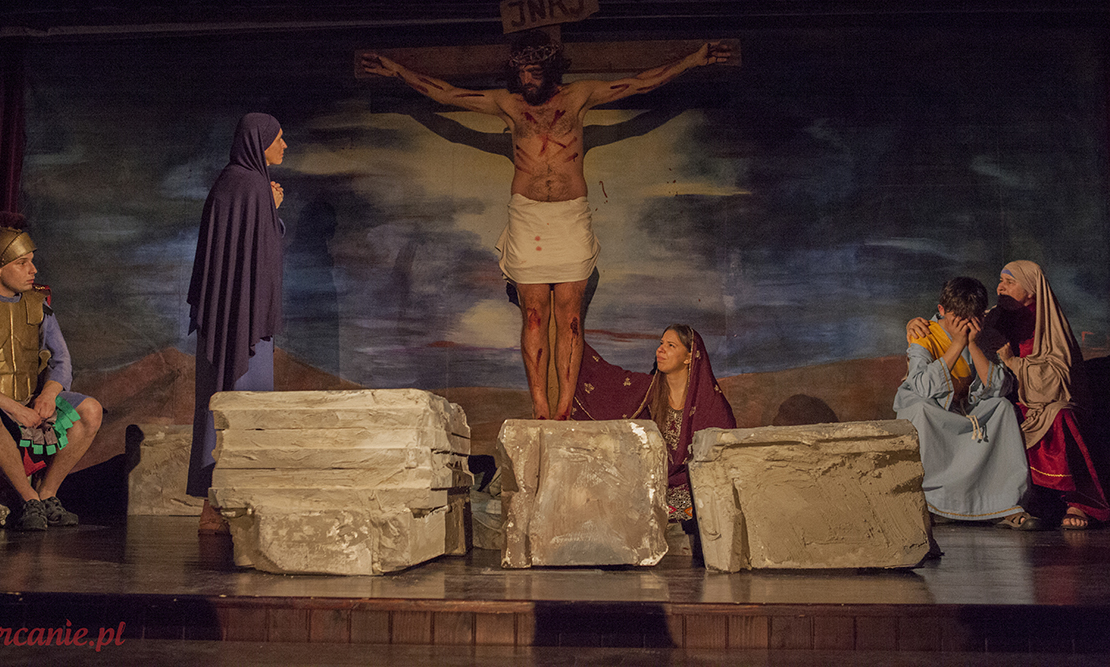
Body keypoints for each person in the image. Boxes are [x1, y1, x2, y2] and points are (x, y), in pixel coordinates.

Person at [362, 33, 731, 420]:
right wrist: (397, 70)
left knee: (570, 319)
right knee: (534, 316)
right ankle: (540, 405)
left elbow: (639, 83)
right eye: (521, 73)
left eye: (534, 72)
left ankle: (564, 406)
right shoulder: (509, 104)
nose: (527, 80)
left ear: (550, 69)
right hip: (528, 217)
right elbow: (448, 94)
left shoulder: (579, 96)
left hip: (570, 216)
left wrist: (693, 60)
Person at [0, 213, 103, 530]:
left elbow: (61, 360)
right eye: (22, 263)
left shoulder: (38, 302)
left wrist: (49, 395)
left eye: (32, 261)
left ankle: (47, 494)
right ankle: (28, 500)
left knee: (90, 410)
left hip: (26, 396)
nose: (33, 270)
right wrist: (13, 408)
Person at [907, 261, 1109, 529]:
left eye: (1009, 282)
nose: (1000, 287)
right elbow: (928, 366)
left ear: (1031, 290)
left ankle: (1011, 503)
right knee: (932, 410)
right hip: (972, 399)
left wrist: (1008, 360)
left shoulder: (1039, 324)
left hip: (1040, 397)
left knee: (1022, 410)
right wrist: (919, 324)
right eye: (1000, 281)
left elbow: (1048, 378)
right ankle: (937, 501)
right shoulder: (987, 319)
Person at [186, 112, 287, 533]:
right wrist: (270, 208)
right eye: (278, 139)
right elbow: (258, 253)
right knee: (242, 407)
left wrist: (269, 211)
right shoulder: (251, 186)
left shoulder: (231, 183)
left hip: (227, 317)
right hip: (244, 323)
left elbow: (245, 252)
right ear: (259, 142)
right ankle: (222, 507)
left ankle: (215, 507)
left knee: (221, 402)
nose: (284, 146)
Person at [894, 277, 1038, 528]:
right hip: (935, 409)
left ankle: (1005, 504)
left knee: (1002, 408)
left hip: (967, 407)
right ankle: (931, 504)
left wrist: (972, 345)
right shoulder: (924, 333)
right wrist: (957, 344)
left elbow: (999, 387)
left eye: (972, 319)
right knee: (921, 410)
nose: (964, 326)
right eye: (957, 319)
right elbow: (923, 387)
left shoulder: (986, 335)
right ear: (942, 310)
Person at [571, 324, 736, 520]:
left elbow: (722, 459)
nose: (660, 349)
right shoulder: (648, 390)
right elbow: (605, 379)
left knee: (699, 507)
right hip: (649, 488)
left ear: (689, 357)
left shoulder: (710, 403)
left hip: (693, 492)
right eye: (661, 343)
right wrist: (571, 338)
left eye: (671, 345)